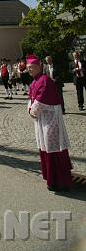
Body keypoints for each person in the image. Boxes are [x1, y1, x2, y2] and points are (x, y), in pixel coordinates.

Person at [27, 55, 72, 192]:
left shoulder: (44, 81)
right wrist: (30, 109)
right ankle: (51, 179)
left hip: (51, 121)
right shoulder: (34, 82)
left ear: (39, 67)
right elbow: (31, 99)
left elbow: (39, 103)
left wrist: (31, 111)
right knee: (46, 148)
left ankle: (60, 181)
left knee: (53, 148)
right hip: (41, 121)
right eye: (28, 68)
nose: (29, 70)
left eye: (31, 68)